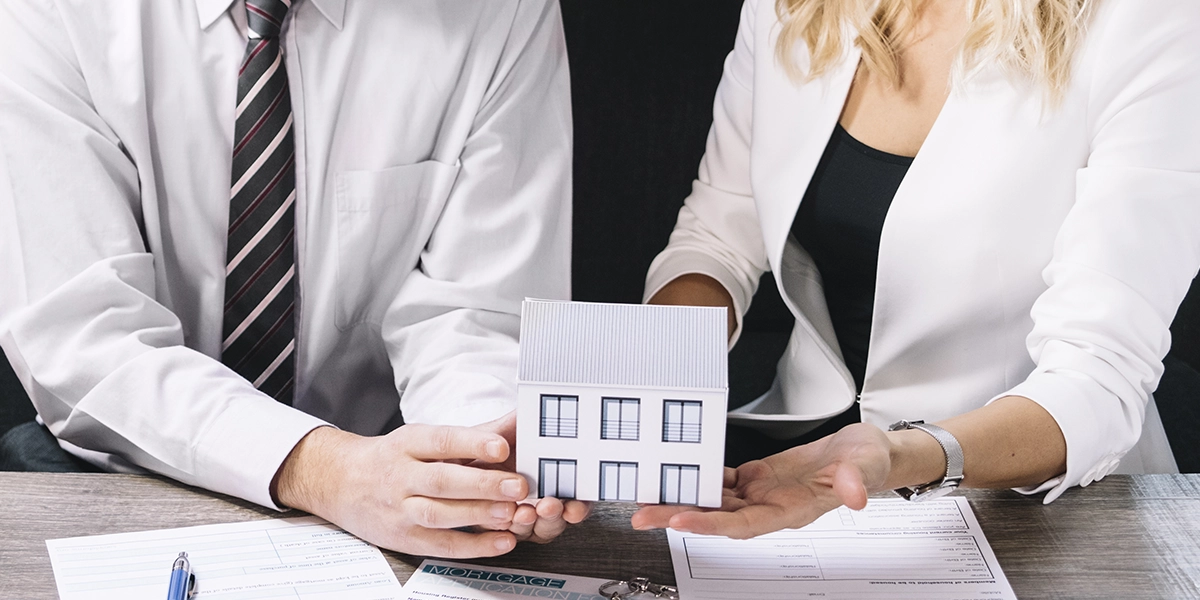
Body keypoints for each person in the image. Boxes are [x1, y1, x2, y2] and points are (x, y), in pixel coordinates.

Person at [0, 0, 587, 557]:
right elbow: (87, 340)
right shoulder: (51, 12)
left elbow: (473, 314)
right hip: (122, 469)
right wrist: (327, 469)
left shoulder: (501, 11)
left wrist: (479, 464)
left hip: (387, 483)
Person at [632, 0, 1200, 539]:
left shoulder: (1146, 19)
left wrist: (900, 456)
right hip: (798, 472)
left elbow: (1099, 378)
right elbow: (718, 233)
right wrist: (646, 380)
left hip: (1033, 497)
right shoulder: (791, 8)